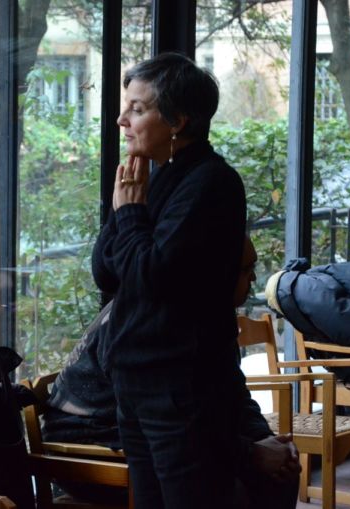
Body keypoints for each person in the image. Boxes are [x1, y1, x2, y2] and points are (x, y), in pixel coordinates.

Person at [92, 52, 247, 507]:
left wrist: (132, 213)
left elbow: (149, 278)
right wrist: (126, 212)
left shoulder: (211, 183)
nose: (122, 119)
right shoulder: (150, 177)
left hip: (183, 390)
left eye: (137, 109)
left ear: (178, 120)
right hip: (135, 383)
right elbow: (105, 272)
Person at [44, 236, 300, 508]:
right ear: (216, 270)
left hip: (156, 434)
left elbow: (234, 392)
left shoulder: (213, 318)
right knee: (224, 491)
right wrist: (251, 454)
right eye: (245, 270)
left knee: (281, 473)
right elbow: (170, 418)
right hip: (92, 446)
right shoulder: (152, 319)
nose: (254, 279)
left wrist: (265, 439)